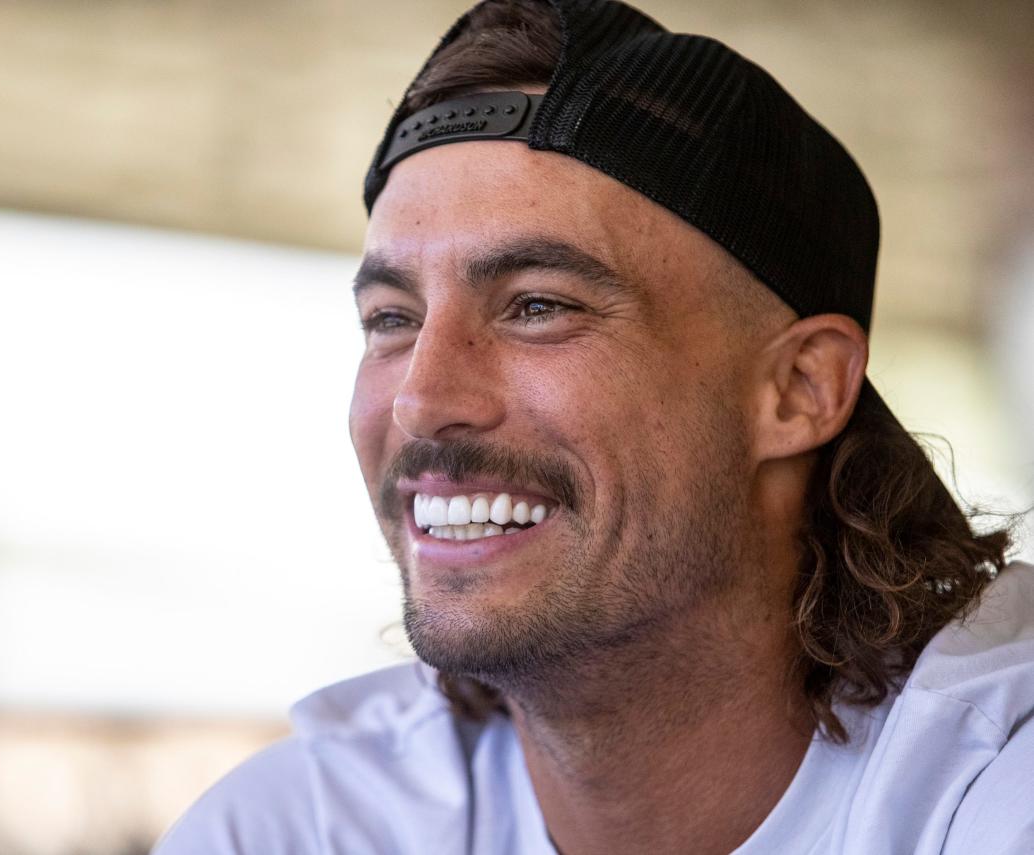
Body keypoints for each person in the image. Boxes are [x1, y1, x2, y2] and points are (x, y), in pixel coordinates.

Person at [156, 1, 1033, 852]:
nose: (420, 400)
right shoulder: (302, 827)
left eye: (536, 305)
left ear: (798, 388)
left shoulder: (992, 787)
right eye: (392, 318)